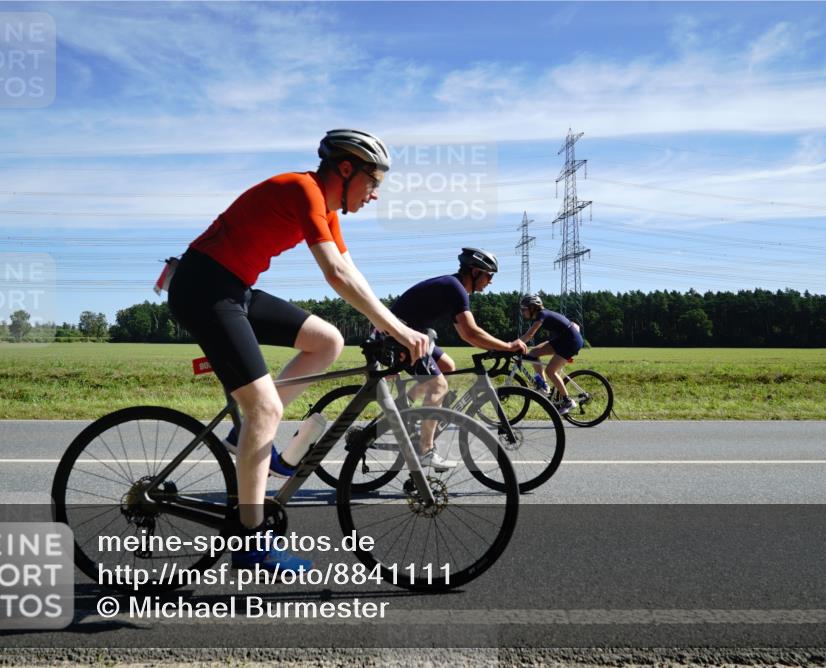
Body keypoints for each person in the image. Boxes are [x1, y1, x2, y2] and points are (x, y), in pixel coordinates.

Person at [167, 129, 428, 572]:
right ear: (345, 170)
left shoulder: (327, 208)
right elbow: (335, 275)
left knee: (327, 341)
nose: (375, 194)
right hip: (203, 289)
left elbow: (350, 270)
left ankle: (244, 435)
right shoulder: (301, 188)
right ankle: (250, 546)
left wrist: (391, 326)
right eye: (374, 182)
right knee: (265, 409)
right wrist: (399, 328)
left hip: (236, 289)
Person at [388, 248, 528, 468]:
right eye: (489, 276)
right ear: (474, 272)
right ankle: (425, 450)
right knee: (439, 386)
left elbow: (465, 335)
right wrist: (508, 346)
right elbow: (471, 333)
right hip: (399, 336)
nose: (490, 282)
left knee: (447, 365)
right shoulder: (456, 288)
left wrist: (501, 347)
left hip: (411, 334)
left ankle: (410, 410)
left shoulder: (454, 287)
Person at [517, 294, 584, 415]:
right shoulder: (542, 314)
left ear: (533, 307)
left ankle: (567, 401)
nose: (522, 312)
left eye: (524, 309)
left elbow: (530, 335)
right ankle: (544, 386)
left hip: (571, 341)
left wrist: (513, 345)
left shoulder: (542, 314)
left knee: (550, 370)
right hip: (564, 339)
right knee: (533, 353)